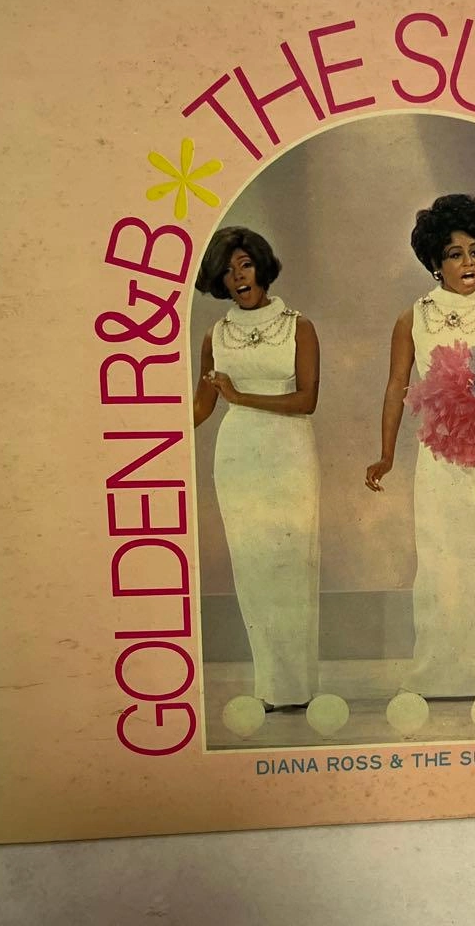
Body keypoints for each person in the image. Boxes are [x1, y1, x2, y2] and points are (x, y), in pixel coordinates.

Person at [365, 194, 475, 698]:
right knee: (438, 561)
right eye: (454, 254)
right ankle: (433, 673)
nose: (468, 263)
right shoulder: (413, 318)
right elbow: (396, 386)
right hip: (438, 456)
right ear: (434, 262)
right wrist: (386, 454)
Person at [194, 226, 320, 710]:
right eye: (228, 271)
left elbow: (306, 400)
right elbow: (202, 407)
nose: (238, 277)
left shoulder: (298, 326)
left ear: (261, 266)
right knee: (252, 567)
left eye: (245, 264)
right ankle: (270, 685)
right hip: (237, 455)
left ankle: (297, 687)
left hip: (289, 451)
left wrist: (240, 395)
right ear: (219, 280)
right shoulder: (215, 335)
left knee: (292, 564)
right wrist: (153, 432)